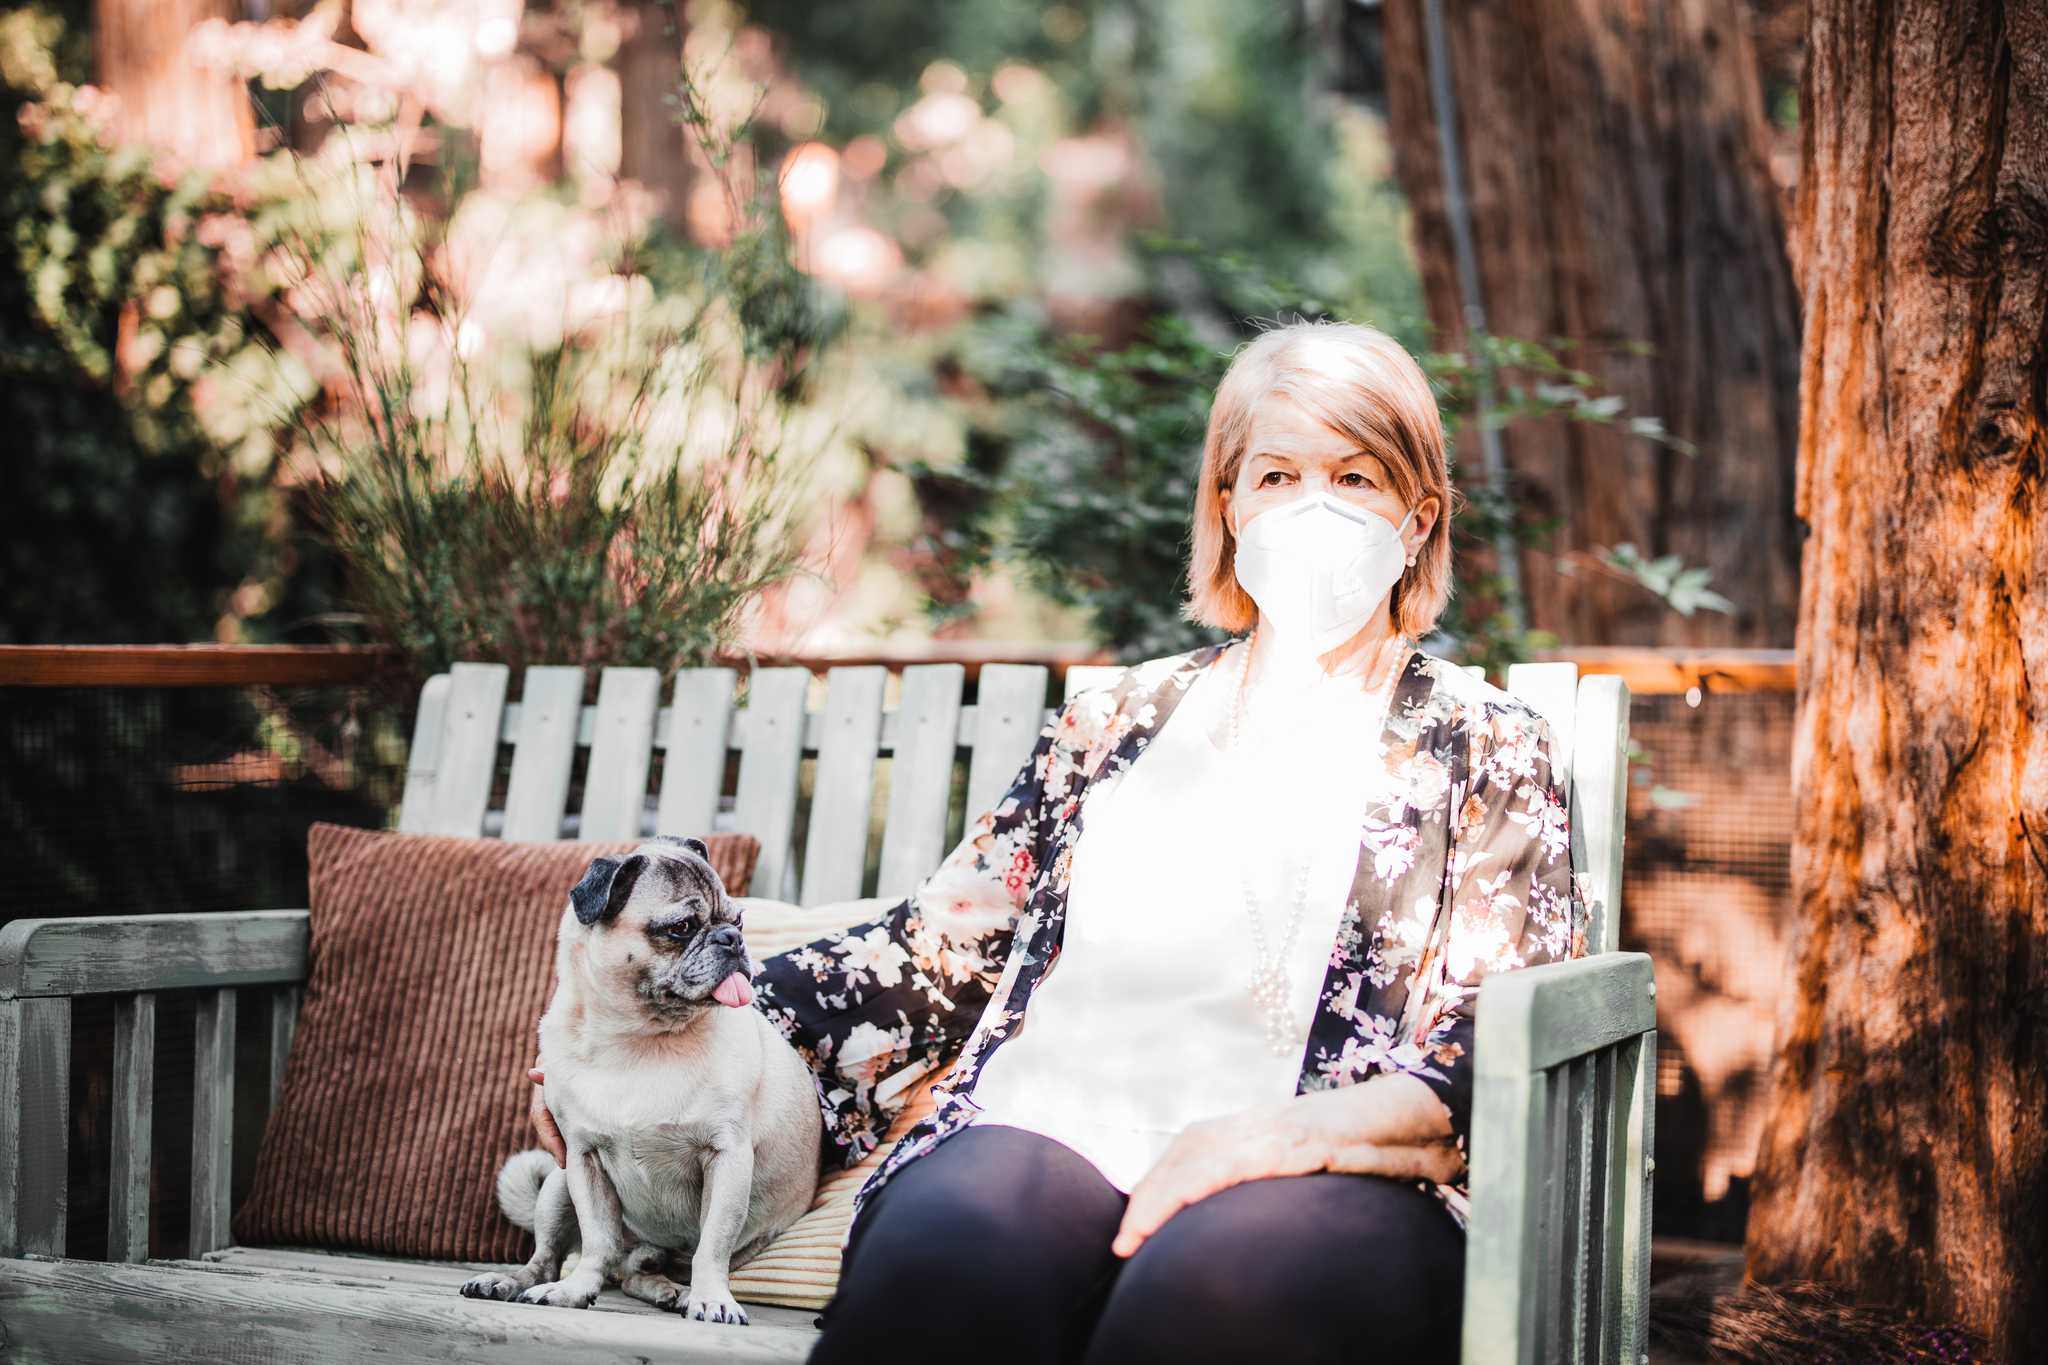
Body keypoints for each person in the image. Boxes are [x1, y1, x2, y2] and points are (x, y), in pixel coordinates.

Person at [529, 318, 1586, 1364]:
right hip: (1057, 1127)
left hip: (1317, 1166)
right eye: (1276, 477)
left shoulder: (1483, 745)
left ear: (1416, 516)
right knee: (946, 1267)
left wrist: (1264, 1140)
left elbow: (1486, 1041)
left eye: (1354, 478)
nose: (1312, 508)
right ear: (1227, 505)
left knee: (1207, 1299)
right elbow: (930, 955)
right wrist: (641, 1041)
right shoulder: (1112, 724)